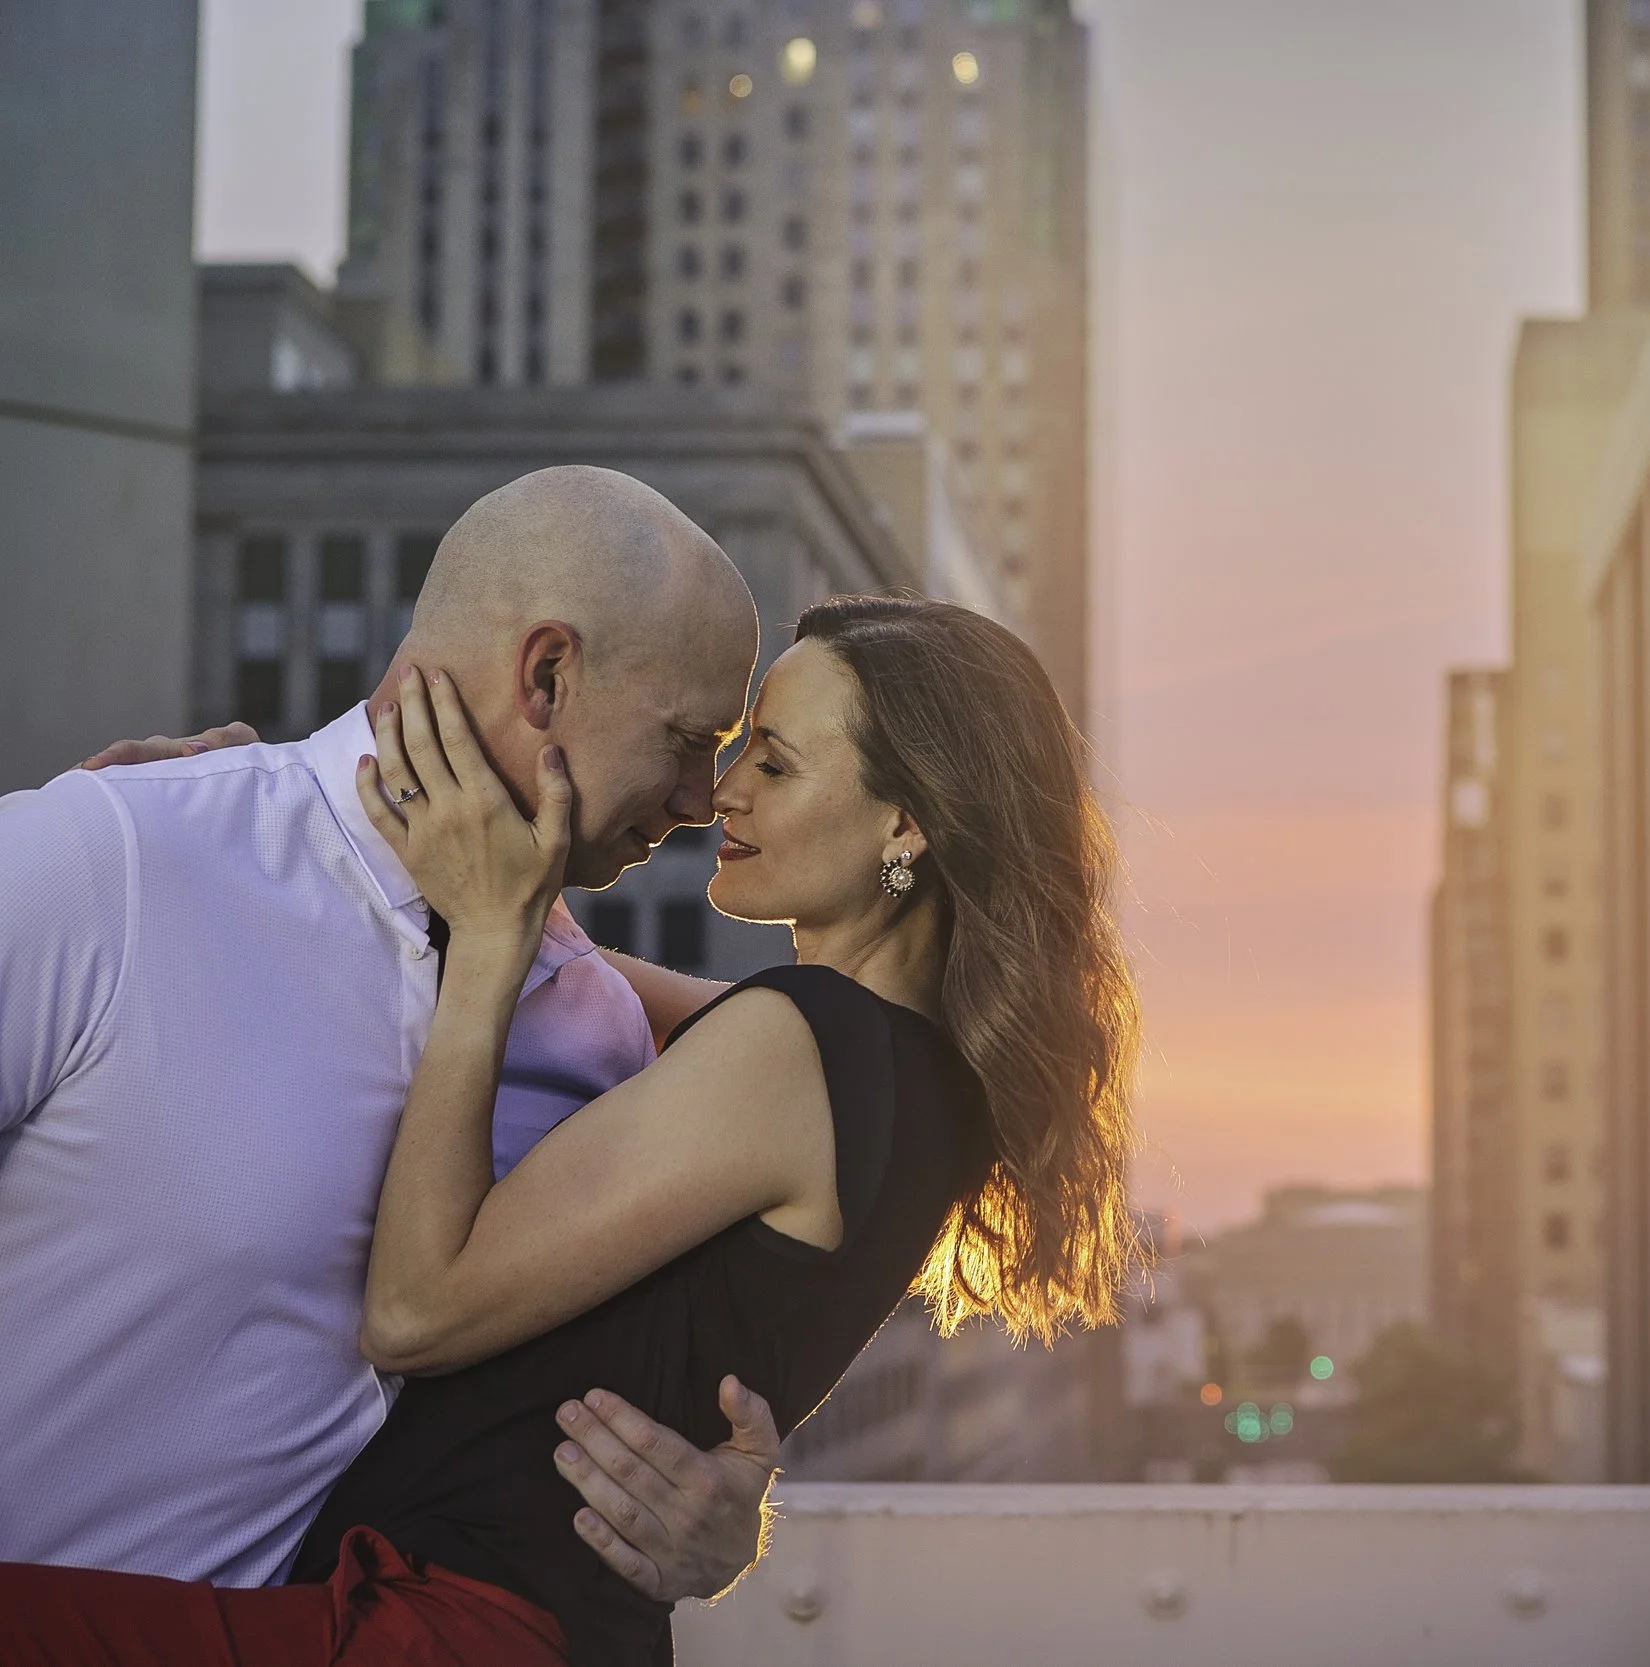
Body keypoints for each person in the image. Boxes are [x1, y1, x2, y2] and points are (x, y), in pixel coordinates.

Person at [0, 593, 1142, 1665]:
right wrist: (243, 838)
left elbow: (412, 1311)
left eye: (773, 761)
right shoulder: (918, 1074)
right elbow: (575, 971)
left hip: (441, 1627)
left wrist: (485, 934)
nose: (721, 793)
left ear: (907, 822)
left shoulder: (800, 1046)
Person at [0, 470, 784, 1624]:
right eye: (686, 739)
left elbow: (598, 1399)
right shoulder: (114, 858)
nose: (701, 798)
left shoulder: (601, 1031)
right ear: (547, 674)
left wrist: (709, 1513)